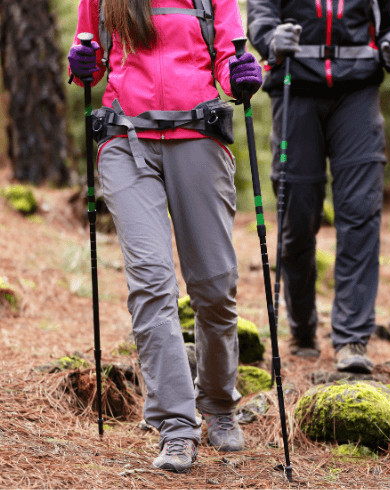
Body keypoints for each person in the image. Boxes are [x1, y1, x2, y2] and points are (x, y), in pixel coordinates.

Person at [68, 0, 263, 474]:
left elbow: (226, 55)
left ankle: (218, 402)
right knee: (152, 282)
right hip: (125, 141)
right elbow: (88, 55)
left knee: (214, 286)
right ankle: (176, 426)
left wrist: (240, 73)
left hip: (198, 136)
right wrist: (81, 67)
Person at [247, 0, 390, 373]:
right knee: (298, 216)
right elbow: (261, 13)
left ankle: (352, 338)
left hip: (358, 91)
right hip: (295, 87)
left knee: (360, 212)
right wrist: (272, 38)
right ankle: (303, 327)